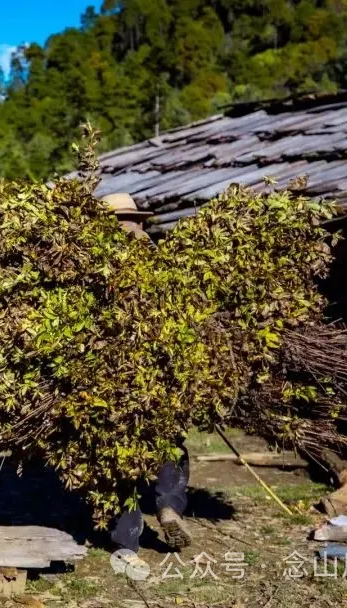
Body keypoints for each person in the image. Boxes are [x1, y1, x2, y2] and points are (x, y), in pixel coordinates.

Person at [100, 193, 194, 553]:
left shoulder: (94, 257)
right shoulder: (158, 258)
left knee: (115, 453)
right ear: (138, 220)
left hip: (109, 373)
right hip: (160, 369)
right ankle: (169, 504)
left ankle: (127, 540)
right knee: (168, 442)